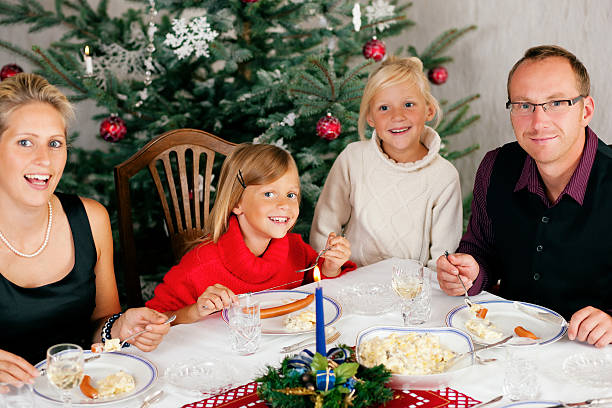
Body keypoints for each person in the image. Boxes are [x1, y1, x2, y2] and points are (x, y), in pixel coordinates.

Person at [0, 73, 171, 385]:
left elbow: (101, 325)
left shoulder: (91, 219)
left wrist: (120, 327)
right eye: (25, 142)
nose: (44, 159)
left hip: (82, 392)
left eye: (55, 143)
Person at [437, 45, 612, 348]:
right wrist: (469, 272)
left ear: (585, 110)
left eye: (556, 103)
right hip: (508, 344)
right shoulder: (495, 167)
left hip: (593, 358)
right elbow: (480, 251)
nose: (538, 121)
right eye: (524, 105)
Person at [146, 143, 355, 324]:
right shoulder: (201, 263)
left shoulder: (296, 249)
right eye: (269, 194)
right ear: (237, 203)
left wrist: (330, 268)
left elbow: (316, 290)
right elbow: (153, 321)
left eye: (291, 195)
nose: (284, 204)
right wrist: (195, 311)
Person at [310, 56, 462, 270]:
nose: (397, 116)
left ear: (428, 110)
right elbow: (325, 226)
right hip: (353, 281)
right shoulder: (354, 158)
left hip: (411, 291)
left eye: (408, 104)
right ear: (370, 117)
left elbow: (443, 255)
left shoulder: (444, 176)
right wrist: (328, 267)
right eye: (384, 108)